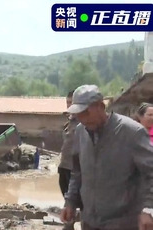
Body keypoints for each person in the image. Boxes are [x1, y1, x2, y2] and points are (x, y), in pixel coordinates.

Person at [59, 84, 153, 230]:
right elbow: (77, 172)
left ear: (101, 106)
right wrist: (70, 202)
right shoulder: (80, 132)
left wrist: (148, 209)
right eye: (79, 114)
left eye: (86, 113)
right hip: (90, 220)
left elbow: (150, 173)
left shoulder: (131, 132)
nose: (82, 119)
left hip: (122, 222)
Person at [58, 90, 80, 230]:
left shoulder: (83, 122)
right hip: (64, 166)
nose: (69, 105)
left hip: (76, 168)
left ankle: (71, 223)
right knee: (66, 196)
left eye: (71, 102)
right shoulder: (70, 121)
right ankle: (69, 222)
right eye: (67, 102)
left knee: (75, 198)